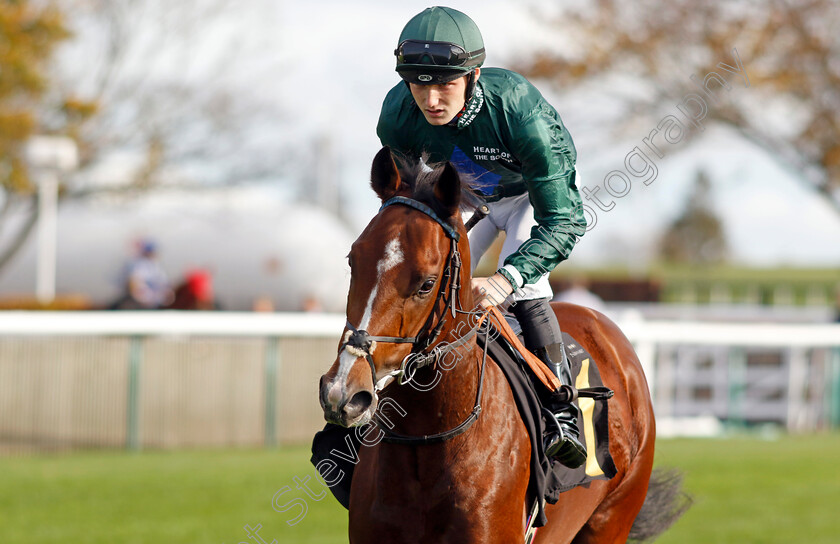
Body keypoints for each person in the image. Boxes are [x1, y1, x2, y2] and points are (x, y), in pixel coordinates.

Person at [377, 7, 588, 468]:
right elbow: (406, 201)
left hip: (527, 197)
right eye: (419, 84)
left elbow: (567, 220)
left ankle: (562, 409)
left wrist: (505, 278)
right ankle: (370, 399)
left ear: (473, 75)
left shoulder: (519, 110)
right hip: (463, 196)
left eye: (445, 85)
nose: (430, 100)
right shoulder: (396, 116)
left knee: (526, 288)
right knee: (409, 276)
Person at [110, 239, 173, 310]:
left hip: (155, 302)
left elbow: (163, 284)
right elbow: (134, 284)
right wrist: (144, 297)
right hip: (140, 302)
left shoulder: (155, 265)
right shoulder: (139, 264)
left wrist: (164, 295)